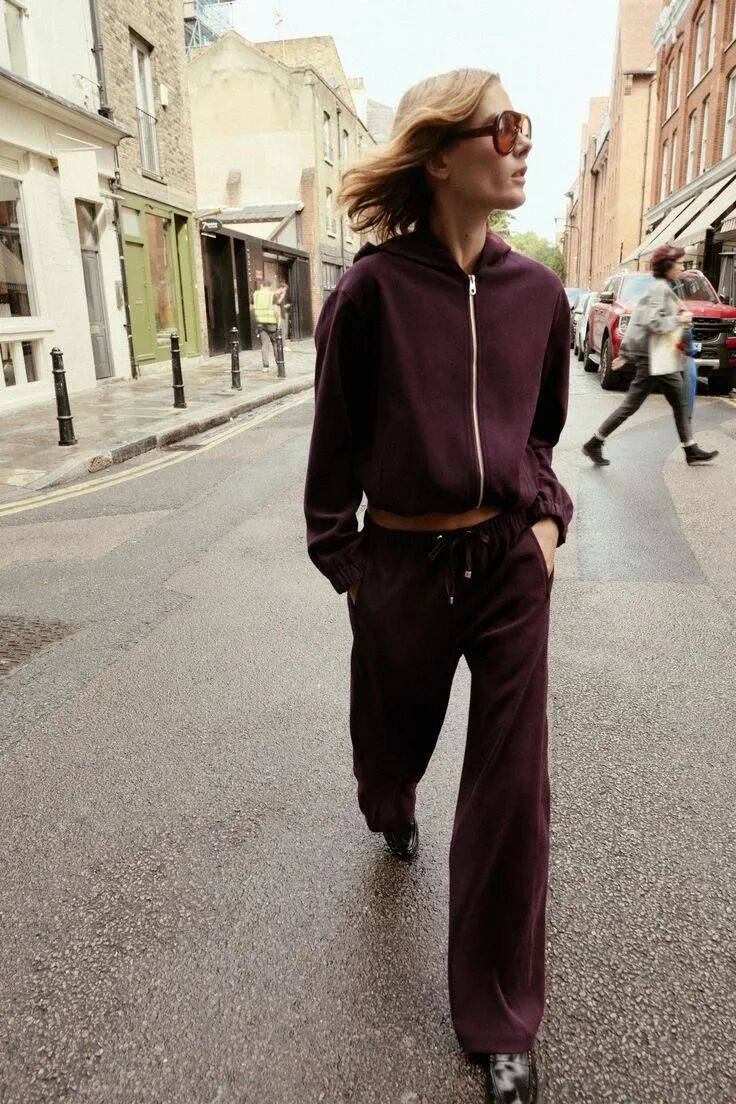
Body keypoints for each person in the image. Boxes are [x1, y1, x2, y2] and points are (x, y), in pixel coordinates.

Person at [304, 68, 573, 1104]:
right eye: (503, 127)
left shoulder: (537, 294)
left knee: (512, 790)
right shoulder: (370, 291)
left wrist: (546, 520)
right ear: (440, 156)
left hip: (506, 561)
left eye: (524, 124)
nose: (522, 143)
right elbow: (333, 447)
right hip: (401, 563)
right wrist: (350, 569)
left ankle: (499, 1021)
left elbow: (540, 431)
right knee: (392, 731)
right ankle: (388, 800)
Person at [582, 245, 718, 466]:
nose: (681, 268)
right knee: (650, 404)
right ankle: (594, 442)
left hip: (660, 357)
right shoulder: (659, 290)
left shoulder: (665, 288)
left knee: (671, 403)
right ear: (667, 266)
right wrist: (680, 320)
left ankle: (689, 448)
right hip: (656, 359)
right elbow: (653, 323)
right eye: (678, 264)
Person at [252, 279, 279, 369]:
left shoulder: (255, 295)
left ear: (262, 285)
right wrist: (278, 322)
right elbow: (276, 310)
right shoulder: (272, 295)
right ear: (270, 286)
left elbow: (251, 308)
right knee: (275, 343)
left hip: (260, 323)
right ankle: (279, 363)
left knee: (264, 344)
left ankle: (265, 366)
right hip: (272, 323)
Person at [274, 278, 291, 347]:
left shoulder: (280, 294)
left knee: (282, 330)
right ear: (281, 288)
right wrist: (282, 296)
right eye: (284, 290)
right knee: (281, 330)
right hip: (279, 314)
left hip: (282, 313)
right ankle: (283, 346)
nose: (285, 291)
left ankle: (282, 345)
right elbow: (278, 302)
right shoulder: (276, 294)